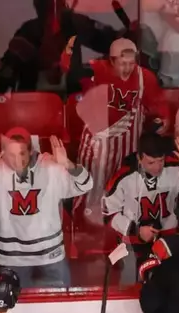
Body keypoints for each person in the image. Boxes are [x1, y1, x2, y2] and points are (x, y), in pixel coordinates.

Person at [0, 129, 94, 289]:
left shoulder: (51, 166)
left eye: (22, 154)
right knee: (15, 307)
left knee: (60, 302)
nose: (17, 161)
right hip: (12, 257)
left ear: (31, 151)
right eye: (11, 155)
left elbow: (86, 184)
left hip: (50, 253)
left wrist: (67, 164)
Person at [67, 37, 171, 225]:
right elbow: (71, 71)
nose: (128, 68)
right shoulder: (97, 70)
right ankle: (86, 222)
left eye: (131, 63)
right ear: (111, 61)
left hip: (128, 143)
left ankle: (121, 223)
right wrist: (69, 52)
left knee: (123, 184)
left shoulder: (144, 77)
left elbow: (158, 104)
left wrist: (162, 119)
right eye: (123, 63)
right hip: (97, 141)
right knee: (90, 185)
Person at [103, 132, 179, 282]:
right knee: (134, 288)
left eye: (160, 161)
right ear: (139, 158)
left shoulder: (177, 167)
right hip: (134, 247)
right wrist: (136, 231)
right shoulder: (123, 178)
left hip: (171, 243)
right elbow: (109, 214)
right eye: (150, 162)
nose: (157, 167)